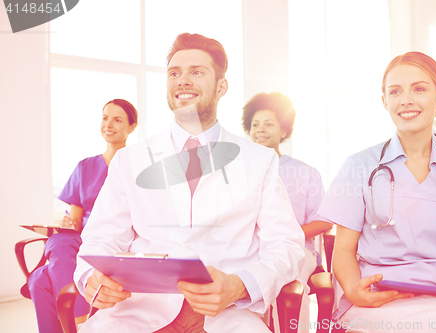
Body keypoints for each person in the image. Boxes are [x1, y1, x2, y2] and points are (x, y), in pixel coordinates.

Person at [73, 33, 305, 333]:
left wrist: (239, 285)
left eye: (197, 72)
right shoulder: (129, 160)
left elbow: (286, 244)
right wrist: (94, 276)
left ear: (221, 86)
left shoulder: (260, 160)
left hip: (226, 313)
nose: (182, 81)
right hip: (139, 310)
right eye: (174, 73)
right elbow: (101, 237)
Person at [317, 51, 436, 332]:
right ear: (384, 102)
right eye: (395, 91)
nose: (406, 100)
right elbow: (342, 250)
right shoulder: (359, 166)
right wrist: (354, 291)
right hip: (378, 302)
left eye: (419, 88)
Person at [27, 99, 138, 333]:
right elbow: (75, 222)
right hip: (82, 241)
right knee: (59, 238)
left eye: (117, 119)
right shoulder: (84, 166)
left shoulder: (137, 167)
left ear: (132, 126)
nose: (108, 124)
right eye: (105, 117)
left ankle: (76, 322)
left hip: (117, 244)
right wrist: (67, 224)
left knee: (39, 279)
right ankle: (79, 319)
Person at [242, 92, 332, 331]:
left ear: (283, 131)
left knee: (288, 282)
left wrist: (287, 235)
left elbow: (323, 222)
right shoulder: (239, 173)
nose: (260, 130)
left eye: (269, 124)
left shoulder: (306, 172)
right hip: (250, 248)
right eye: (255, 125)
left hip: (297, 248)